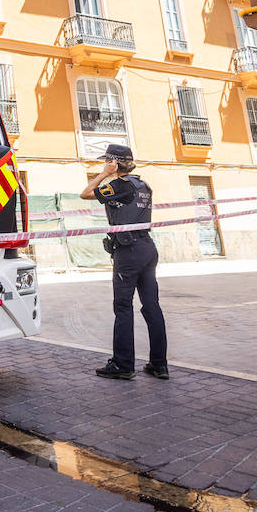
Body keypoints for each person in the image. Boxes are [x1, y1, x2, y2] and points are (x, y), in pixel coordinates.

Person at [80, 144, 169, 381]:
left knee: (123, 307)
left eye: (107, 162)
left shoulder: (120, 185)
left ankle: (123, 364)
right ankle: (160, 365)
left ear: (115, 163)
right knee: (152, 306)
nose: (104, 165)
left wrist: (104, 174)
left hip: (128, 252)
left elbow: (86, 193)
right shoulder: (143, 185)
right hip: (148, 248)